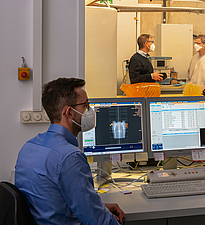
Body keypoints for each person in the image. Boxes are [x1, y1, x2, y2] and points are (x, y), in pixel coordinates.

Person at [15, 78, 125, 225]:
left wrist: (99, 208)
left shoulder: (28, 147)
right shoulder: (70, 157)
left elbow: (50, 204)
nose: (89, 110)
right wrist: (103, 215)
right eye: (85, 105)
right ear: (69, 112)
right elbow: (99, 222)